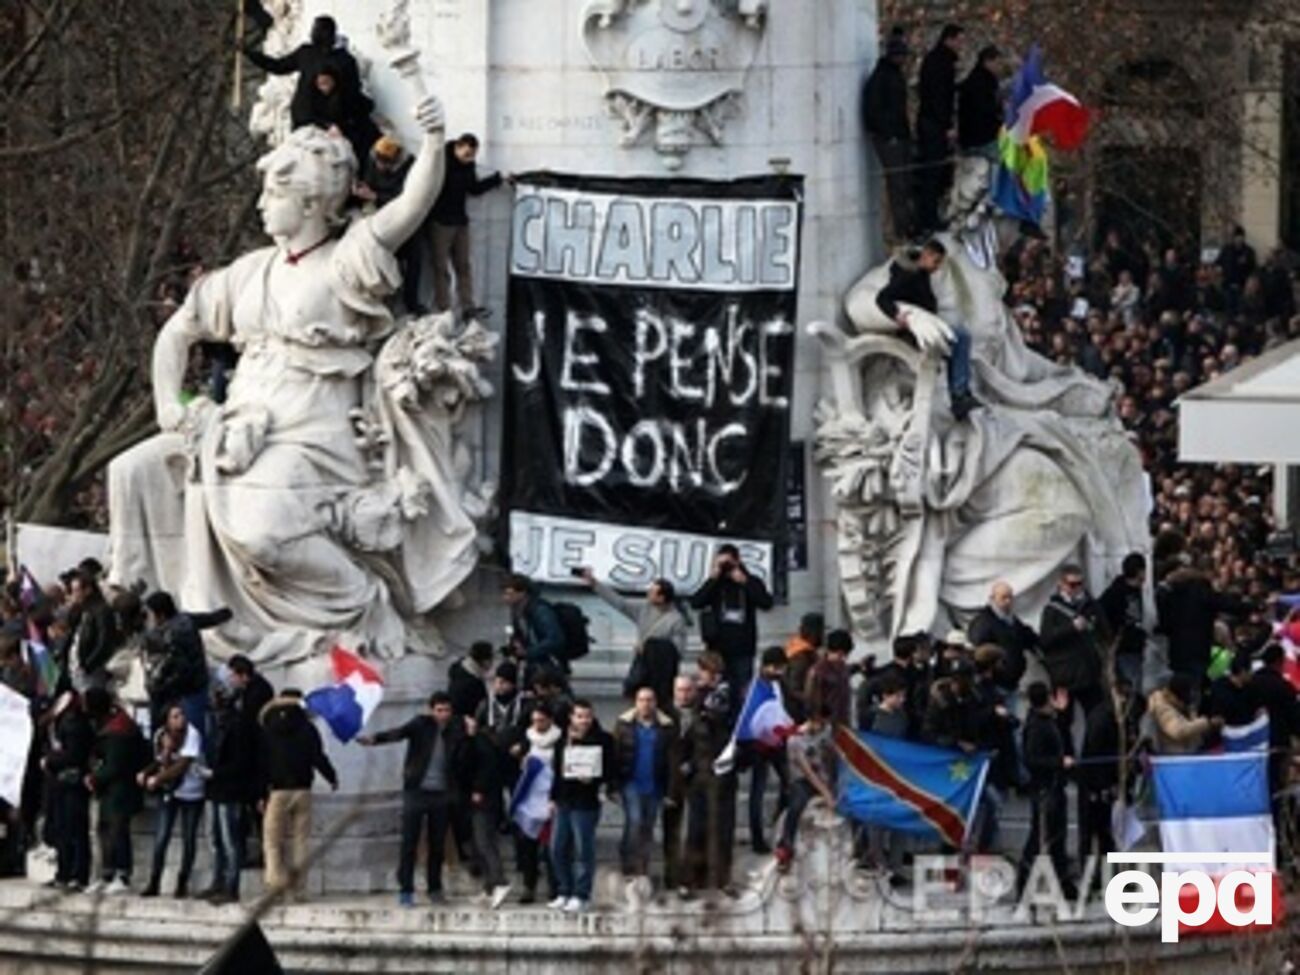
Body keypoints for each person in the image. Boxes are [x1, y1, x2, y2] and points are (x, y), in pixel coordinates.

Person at [358, 691, 473, 906]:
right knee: (409, 841)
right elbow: (399, 733)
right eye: (439, 710)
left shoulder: (456, 730)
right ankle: (406, 888)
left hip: (442, 793)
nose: (443, 715)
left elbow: (464, 759)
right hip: (416, 790)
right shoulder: (421, 724)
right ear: (431, 710)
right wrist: (374, 739)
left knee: (437, 844)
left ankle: (434, 888)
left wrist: (469, 736)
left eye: (447, 710)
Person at [875, 239, 980, 420]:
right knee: (961, 337)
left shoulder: (920, 272)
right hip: (915, 330)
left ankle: (960, 394)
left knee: (960, 339)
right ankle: (959, 395)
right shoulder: (908, 275)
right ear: (926, 255)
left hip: (928, 321)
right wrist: (896, 315)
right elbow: (882, 298)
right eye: (936, 261)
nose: (937, 268)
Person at [259, 691, 338, 901]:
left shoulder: (268, 727)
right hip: (303, 789)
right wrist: (332, 777)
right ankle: (299, 889)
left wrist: (260, 793)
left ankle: (275, 887)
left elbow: (261, 763)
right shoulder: (308, 728)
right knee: (301, 841)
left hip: (277, 790)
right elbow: (318, 757)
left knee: (272, 842)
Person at [243, 14, 372, 136]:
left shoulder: (341, 60)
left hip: (324, 122)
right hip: (309, 119)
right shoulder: (309, 53)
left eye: (317, 30)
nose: (313, 33)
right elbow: (279, 66)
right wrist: (251, 54)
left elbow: (352, 92)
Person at [582, 569, 687, 707]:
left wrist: (650, 647)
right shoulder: (644, 608)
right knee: (634, 693)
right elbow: (620, 603)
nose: (648, 594)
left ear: (661, 598)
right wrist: (595, 584)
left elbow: (677, 651)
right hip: (642, 663)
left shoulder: (676, 620)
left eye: (652, 592)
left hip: (660, 672)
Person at [548, 699, 614, 913]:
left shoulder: (603, 739)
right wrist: (552, 798)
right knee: (557, 848)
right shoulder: (562, 740)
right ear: (571, 717)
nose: (584, 720)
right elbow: (557, 771)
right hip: (564, 800)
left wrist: (594, 779)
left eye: (587, 716)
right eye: (579, 716)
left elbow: (610, 769)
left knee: (583, 849)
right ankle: (564, 890)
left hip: (586, 802)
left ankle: (581, 894)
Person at [429, 133, 505, 318]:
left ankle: (467, 306)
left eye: (472, 155)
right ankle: (444, 307)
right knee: (441, 267)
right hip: (440, 221)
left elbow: (474, 188)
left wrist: (497, 179)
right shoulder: (441, 162)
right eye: (467, 154)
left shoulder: (468, 165)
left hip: (460, 221)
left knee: (463, 266)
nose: (469, 159)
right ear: (457, 147)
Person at [689, 545, 773, 708]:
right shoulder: (716, 584)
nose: (726, 568)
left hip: (743, 648)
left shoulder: (750, 581)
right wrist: (713, 578)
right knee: (718, 691)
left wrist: (745, 581)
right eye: (722, 564)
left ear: (738, 560)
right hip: (717, 649)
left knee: (741, 691)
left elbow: (766, 603)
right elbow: (696, 603)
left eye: (729, 563)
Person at [682, 652, 738, 898]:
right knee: (697, 828)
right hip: (700, 772)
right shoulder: (699, 698)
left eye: (703, 671)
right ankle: (692, 879)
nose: (700, 676)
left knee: (723, 829)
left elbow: (727, 729)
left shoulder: (727, 699)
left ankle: (722, 878)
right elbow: (691, 734)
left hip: (722, 772)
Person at [83, 688, 146, 895]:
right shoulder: (110, 725)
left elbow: (115, 765)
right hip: (109, 791)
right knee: (105, 830)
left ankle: (122, 874)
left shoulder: (119, 730)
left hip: (121, 790)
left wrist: (95, 778)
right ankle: (107, 874)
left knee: (118, 831)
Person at [139, 704, 206, 898]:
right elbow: (161, 760)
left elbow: (182, 765)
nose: (180, 719)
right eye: (175, 716)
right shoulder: (161, 735)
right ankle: (154, 881)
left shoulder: (192, 734)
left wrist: (157, 779)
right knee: (161, 837)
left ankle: (182, 882)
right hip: (171, 792)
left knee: (189, 837)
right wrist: (146, 771)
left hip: (191, 791)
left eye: (182, 714)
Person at [1017, 682, 1076, 900]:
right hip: (1045, 790)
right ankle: (1023, 885)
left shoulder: (1046, 720)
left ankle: (1063, 883)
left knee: (1057, 838)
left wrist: (1061, 714)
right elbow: (1032, 760)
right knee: (1039, 838)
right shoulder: (1036, 726)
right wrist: (1059, 762)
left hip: (1054, 786)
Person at [1157, 558, 1248, 699]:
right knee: (1195, 687)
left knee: (1180, 686)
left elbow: (1165, 622)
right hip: (1198, 648)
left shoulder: (1171, 592)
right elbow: (1225, 603)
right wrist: (1253, 606)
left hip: (1176, 650)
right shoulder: (1201, 589)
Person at [141, 592, 229, 738]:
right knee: (200, 728)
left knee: (192, 734)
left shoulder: (170, 635)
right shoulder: (186, 620)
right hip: (197, 684)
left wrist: (161, 688)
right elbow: (209, 619)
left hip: (185, 690)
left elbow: (179, 668)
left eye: (150, 614)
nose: (148, 618)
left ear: (160, 614)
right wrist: (226, 613)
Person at [613, 686, 676, 881]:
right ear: (636, 703)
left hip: (655, 784)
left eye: (649, 700)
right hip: (631, 782)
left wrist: (671, 790)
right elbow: (615, 754)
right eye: (641, 700)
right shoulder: (624, 725)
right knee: (635, 822)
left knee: (648, 826)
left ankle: (642, 867)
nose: (645, 704)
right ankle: (628, 864)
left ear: (655, 703)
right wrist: (613, 785)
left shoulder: (666, 728)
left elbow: (671, 760)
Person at [202, 682, 256, 904]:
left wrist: (214, 773)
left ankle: (231, 886)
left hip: (229, 790)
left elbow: (241, 763)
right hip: (214, 789)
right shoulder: (213, 724)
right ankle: (218, 881)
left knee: (229, 840)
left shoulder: (238, 726)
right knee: (214, 839)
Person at [1039, 565, 1109, 728]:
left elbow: (1106, 632)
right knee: (1063, 720)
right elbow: (1045, 640)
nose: (1077, 588)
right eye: (1072, 584)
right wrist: (1070, 628)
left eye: (1080, 584)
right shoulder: (1052, 610)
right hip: (1065, 674)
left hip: (1089, 671)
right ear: (1062, 584)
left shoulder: (1091, 605)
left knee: (1097, 718)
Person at [862, 28, 914, 242]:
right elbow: (874, 110)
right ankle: (901, 229)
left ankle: (905, 226)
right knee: (897, 184)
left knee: (902, 183)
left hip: (897, 135)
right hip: (890, 138)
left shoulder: (890, 75)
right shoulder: (883, 78)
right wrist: (888, 134)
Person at [1078, 680, 1135, 872]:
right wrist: (1103, 786)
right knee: (1096, 832)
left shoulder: (1120, 718)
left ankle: (1109, 872)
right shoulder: (1102, 719)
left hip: (1111, 781)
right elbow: (1096, 753)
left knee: (1108, 834)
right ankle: (1094, 874)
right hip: (1097, 784)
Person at [509, 702, 561, 904]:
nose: (538, 724)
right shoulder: (526, 739)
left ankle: (554, 886)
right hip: (529, 799)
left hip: (550, 798)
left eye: (542, 720)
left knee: (550, 846)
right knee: (527, 845)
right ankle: (528, 886)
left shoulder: (560, 740)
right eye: (535, 721)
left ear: (550, 720)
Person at [914, 23, 964, 233]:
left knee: (935, 173)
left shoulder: (937, 60)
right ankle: (928, 219)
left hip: (930, 122)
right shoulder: (941, 63)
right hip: (934, 125)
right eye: (959, 40)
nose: (961, 45)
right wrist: (946, 125)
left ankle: (929, 216)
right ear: (948, 39)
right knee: (932, 173)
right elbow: (939, 97)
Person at [774, 706, 837, 871]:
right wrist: (826, 793)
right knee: (796, 805)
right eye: (820, 723)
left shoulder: (825, 731)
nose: (823, 727)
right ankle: (785, 847)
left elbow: (832, 750)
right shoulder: (795, 740)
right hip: (802, 781)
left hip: (823, 777)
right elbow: (807, 772)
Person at [41, 691, 93, 891]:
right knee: (63, 831)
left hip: (71, 783)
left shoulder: (74, 725)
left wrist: (51, 760)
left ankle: (76, 875)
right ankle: (65, 873)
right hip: (62, 784)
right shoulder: (62, 724)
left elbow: (73, 755)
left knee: (74, 831)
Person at [745, 647, 791, 855]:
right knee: (758, 790)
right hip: (760, 744)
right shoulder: (755, 688)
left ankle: (780, 830)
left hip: (777, 741)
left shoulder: (776, 684)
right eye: (777, 668)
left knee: (788, 783)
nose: (780, 672)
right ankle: (758, 837)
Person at [966, 581, 1037, 712]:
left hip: (1012, 682)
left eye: (1010, 597)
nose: (1008, 601)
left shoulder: (1011, 620)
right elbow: (980, 652)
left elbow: (1027, 637)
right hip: (997, 684)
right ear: (993, 599)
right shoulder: (984, 622)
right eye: (1003, 597)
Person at [1246, 644, 1300, 803]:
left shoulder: (1250, 684)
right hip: (1278, 740)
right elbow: (1294, 717)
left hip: (1251, 743)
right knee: (1276, 781)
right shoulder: (1285, 687)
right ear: (1279, 662)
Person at [662, 673, 696, 892]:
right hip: (669, 781)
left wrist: (692, 763)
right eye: (680, 690)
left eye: (687, 690)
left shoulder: (702, 713)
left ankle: (688, 877)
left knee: (691, 831)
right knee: (671, 831)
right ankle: (672, 876)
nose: (684, 695)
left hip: (694, 779)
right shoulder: (663, 715)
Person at [503, 575, 566, 682]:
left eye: (509, 594)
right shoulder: (517, 611)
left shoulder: (541, 611)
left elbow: (555, 639)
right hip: (533, 664)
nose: (505, 598)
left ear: (522, 593)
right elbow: (520, 634)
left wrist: (528, 652)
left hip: (549, 665)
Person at [1100, 553, 1148, 689]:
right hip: (1124, 648)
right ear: (1140, 571)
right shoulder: (1115, 593)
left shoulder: (1136, 590)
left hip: (1134, 646)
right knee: (1131, 686)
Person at [66, 570, 119, 691]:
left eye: (76, 591)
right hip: (77, 670)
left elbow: (104, 642)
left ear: (88, 590)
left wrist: (88, 665)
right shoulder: (83, 611)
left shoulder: (101, 611)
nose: (74, 595)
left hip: (93, 672)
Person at [1146, 673, 1219, 755]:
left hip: (1188, 749)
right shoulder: (1163, 710)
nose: (1183, 703)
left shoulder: (1173, 704)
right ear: (1172, 694)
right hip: (1174, 754)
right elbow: (1178, 731)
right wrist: (1207, 722)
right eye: (1181, 700)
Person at [957, 45, 1002, 158]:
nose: (999, 67)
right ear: (987, 62)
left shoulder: (974, 79)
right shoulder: (984, 82)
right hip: (984, 137)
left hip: (970, 137)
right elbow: (986, 108)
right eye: (997, 63)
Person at [806, 629, 853, 726]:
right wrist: (817, 719)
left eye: (845, 654)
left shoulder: (843, 667)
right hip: (826, 723)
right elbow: (811, 701)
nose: (843, 658)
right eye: (840, 654)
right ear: (830, 651)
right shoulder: (818, 671)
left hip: (843, 720)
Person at [783, 612, 824, 723]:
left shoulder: (796, 648)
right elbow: (794, 689)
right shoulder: (801, 657)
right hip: (798, 715)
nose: (823, 636)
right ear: (814, 633)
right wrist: (815, 702)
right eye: (821, 631)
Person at [1205, 654, 1258, 727]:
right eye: (1250, 670)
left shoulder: (1249, 688)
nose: (1252, 674)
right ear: (1243, 671)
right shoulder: (1220, 690)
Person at [448, 641, 495, 718]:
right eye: (491, 658)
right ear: (484, 661)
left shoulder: (459, 666)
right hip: (465, 719)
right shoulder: (473, 684)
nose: (492, 662)